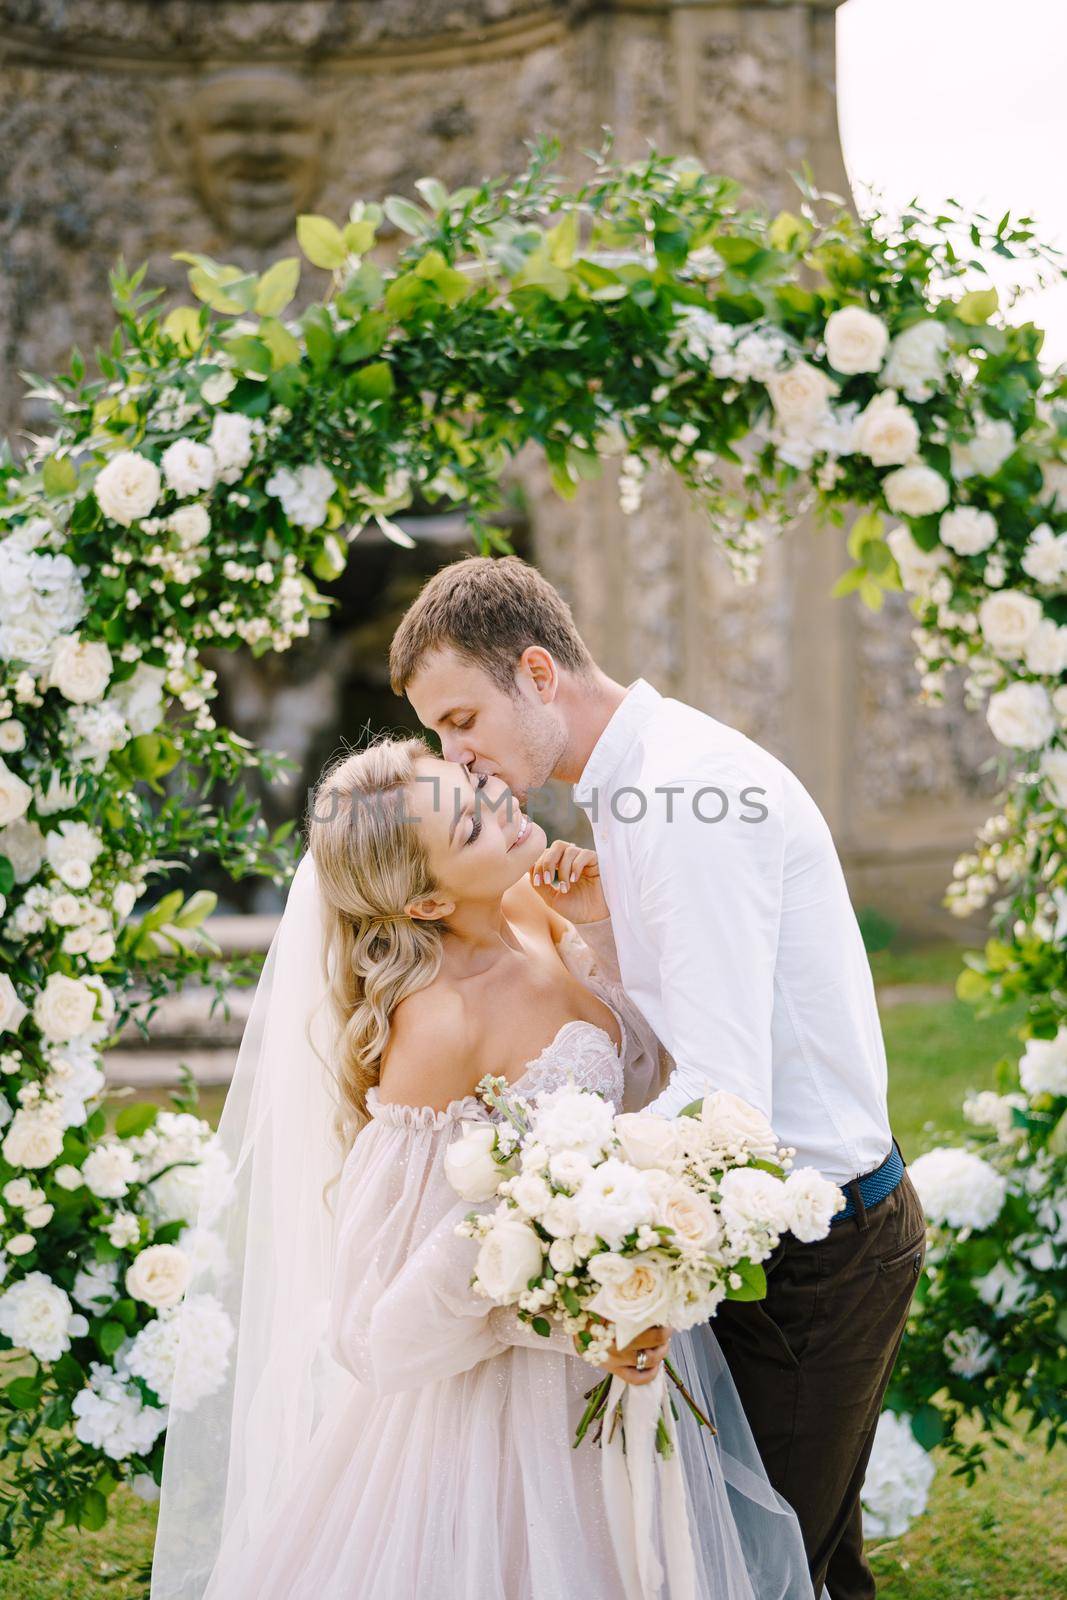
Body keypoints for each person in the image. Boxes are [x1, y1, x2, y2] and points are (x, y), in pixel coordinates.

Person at [150, 736, 821, 1600]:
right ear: (427, 899)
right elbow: (376, 1330)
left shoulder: (533, 911)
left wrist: (599, 927)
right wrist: (570, 1304)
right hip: (512, 1412)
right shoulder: (438, 1027)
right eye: (471, 823)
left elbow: (645, 1082)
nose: (502, 804)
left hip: (633, 1327)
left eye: (471, 784)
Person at [389, 554, 927, 1600]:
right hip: (785, 1235)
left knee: (759, 1574)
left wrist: (550, 1223)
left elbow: (724, 1100)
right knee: (800, 1569)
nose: (459, 758)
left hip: (813, 1258)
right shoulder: (638, 784)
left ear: (536, 673)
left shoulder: (679, 796)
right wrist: (602, 933)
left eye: (460, 720)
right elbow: (693, 1018)